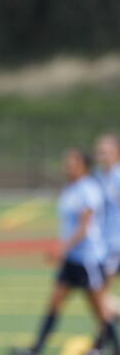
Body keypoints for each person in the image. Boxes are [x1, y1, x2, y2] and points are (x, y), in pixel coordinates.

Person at [13, 149, 119, 355]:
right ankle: (36, 349)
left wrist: (62, 248)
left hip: (88, 259)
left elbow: (85, 227)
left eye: (72, 162)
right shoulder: (71, 188)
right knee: (54, 304)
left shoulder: (88, 189)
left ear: (83, 166)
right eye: (66, 162)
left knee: (101, 311)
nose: (67, 166)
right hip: (72, 260)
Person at [95, 134, 120, 315]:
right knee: (100, 295)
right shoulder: (97, 177)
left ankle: (101, 340)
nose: (102, 156)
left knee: (100, 293)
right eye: (100, 152)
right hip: (101, 243)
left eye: (106, 152)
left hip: (115, 244)